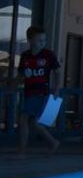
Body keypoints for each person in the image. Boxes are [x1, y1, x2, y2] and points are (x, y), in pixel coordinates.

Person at [17, 25, 61, 158]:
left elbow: (57, 72)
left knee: (24, 119)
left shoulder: (48, 55)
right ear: (30, 40)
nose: (43, 43)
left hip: (41, 92)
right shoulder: (25, 56)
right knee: (34, 123)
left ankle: (22, 151)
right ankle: (53, 142)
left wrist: (56, 89)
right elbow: (20, 74)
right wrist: (21, 77)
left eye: (44, 40)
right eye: (39, 40)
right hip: (29, 92)